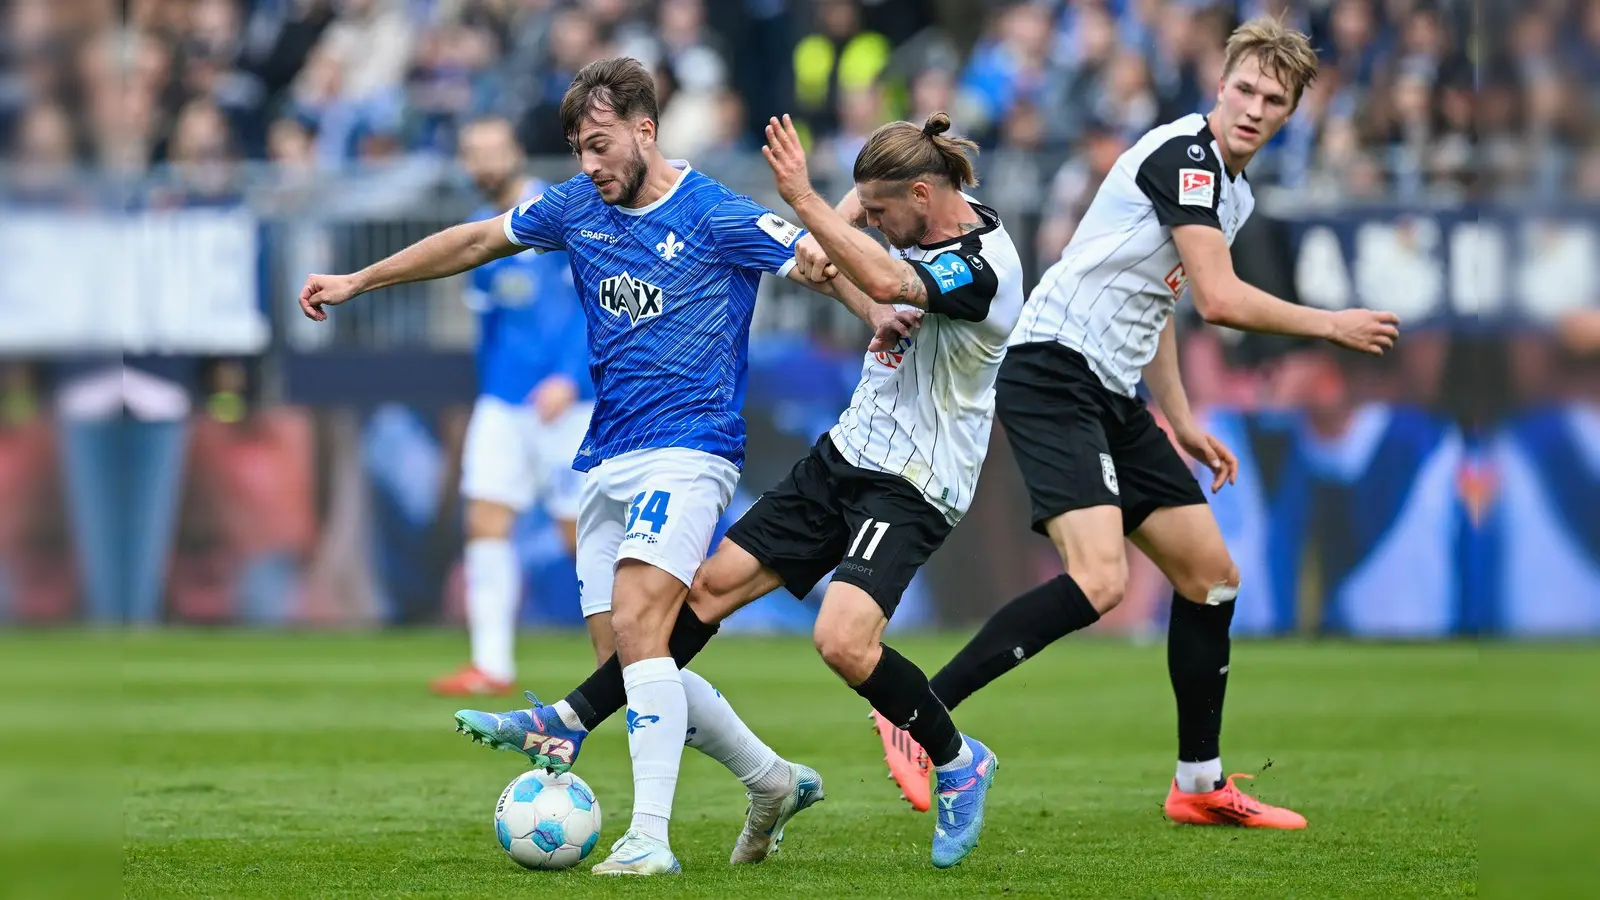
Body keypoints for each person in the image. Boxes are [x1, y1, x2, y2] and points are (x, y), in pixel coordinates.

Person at [300, 57, 918, 875]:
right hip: (605, 455)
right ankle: (772, 780)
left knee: (640, 627)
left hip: (692, 448)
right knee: (628, 664)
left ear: (645, 129)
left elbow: (815, 259)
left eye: (598, 145)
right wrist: (359, 279)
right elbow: (478, 239)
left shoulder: (713, 212)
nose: (588, 164)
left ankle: (649, 840)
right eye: (578, 149)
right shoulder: (576, 207)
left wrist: (876, 308)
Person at [459, 110, 1027, 870]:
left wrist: (803, 197)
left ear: (925, 196)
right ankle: (571, 719)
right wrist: (839, 214)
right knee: (699, 596)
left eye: (886, 212)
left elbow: (890, 278)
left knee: (842, 641)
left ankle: (958, 762)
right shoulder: (913, 206)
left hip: (917, 480)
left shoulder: (985, 264)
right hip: (849, 453)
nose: (879, 225)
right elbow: (860, 237)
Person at [873, 18, 1400, 828]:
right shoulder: (1186, 158)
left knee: (1211, 577)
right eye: (1246, 89)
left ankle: (1198, 783)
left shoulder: (1233, 188)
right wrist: (1332, 324)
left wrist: (1180, 418)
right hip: (1053, 370)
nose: (1255, 107)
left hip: (1112, 390)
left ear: (1292, 112)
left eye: (1275, 99)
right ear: (1219, 86)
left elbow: (1166, 301)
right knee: (1101, 582)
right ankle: (917, 713)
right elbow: (1221, 301)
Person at [430, 117, 598, 697]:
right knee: (484, 520)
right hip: (503, 403)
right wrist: (491, 393)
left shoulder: (548, 214)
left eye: (490, 149)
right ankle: (491, 665)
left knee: (579, 535)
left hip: (564, 402)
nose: (481, 162)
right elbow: (494, 331)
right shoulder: (482, 231)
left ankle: (636, 655)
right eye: (471, 152)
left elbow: (593, 299)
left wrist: (572, 378)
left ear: (515, 151)